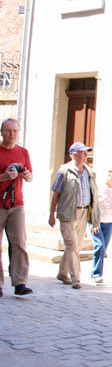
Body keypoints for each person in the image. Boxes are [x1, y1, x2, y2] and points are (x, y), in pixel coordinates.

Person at [49, 142, 100, 289]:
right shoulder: (64, 171)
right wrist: (52, 214)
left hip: (83, 212)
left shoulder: (90, 173)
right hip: (68, 213)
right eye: (82, 152)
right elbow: (56, 194)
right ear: (74, 154)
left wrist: (95, 219)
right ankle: (76, 278)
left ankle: (62, 272)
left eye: (86, 153)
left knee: (74, 247)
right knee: (72, 245)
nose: (86, 155)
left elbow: (95, 197)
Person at [0, 118, 33, 297]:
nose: (12, 134)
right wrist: (4, 177)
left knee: (19, 243)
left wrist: (27, 175)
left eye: (15, 131)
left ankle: (20, 282)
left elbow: (30, 174)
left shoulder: (23, 152)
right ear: (2, 132)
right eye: (8, 131)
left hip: (17, 205)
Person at [91, 165, 112, 284]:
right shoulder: (98, 187)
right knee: (99, 246)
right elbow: (92, 205)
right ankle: (96, 274)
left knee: (103, 250)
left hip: (109, 222)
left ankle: (97, 272)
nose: (111, 174)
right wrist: (94, 222)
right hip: (97, 222)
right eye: (109, 171)